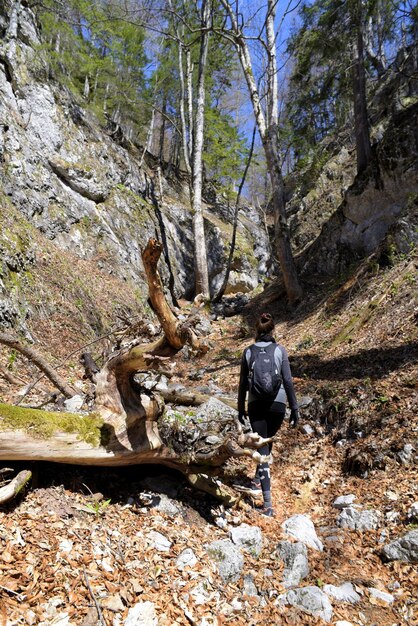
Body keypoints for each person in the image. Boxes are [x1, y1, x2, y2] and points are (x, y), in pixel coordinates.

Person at [237, 312, 299, 517]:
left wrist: (240, 409)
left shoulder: (248, 352)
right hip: (278, 405)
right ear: (273, 331)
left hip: (256, 405)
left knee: (262, 450)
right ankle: (257, 480)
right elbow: (288, 381)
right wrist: (295, 408)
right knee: (266, 442)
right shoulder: (280, 350)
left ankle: (268, 506)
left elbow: (243, 384)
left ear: (256, 331)